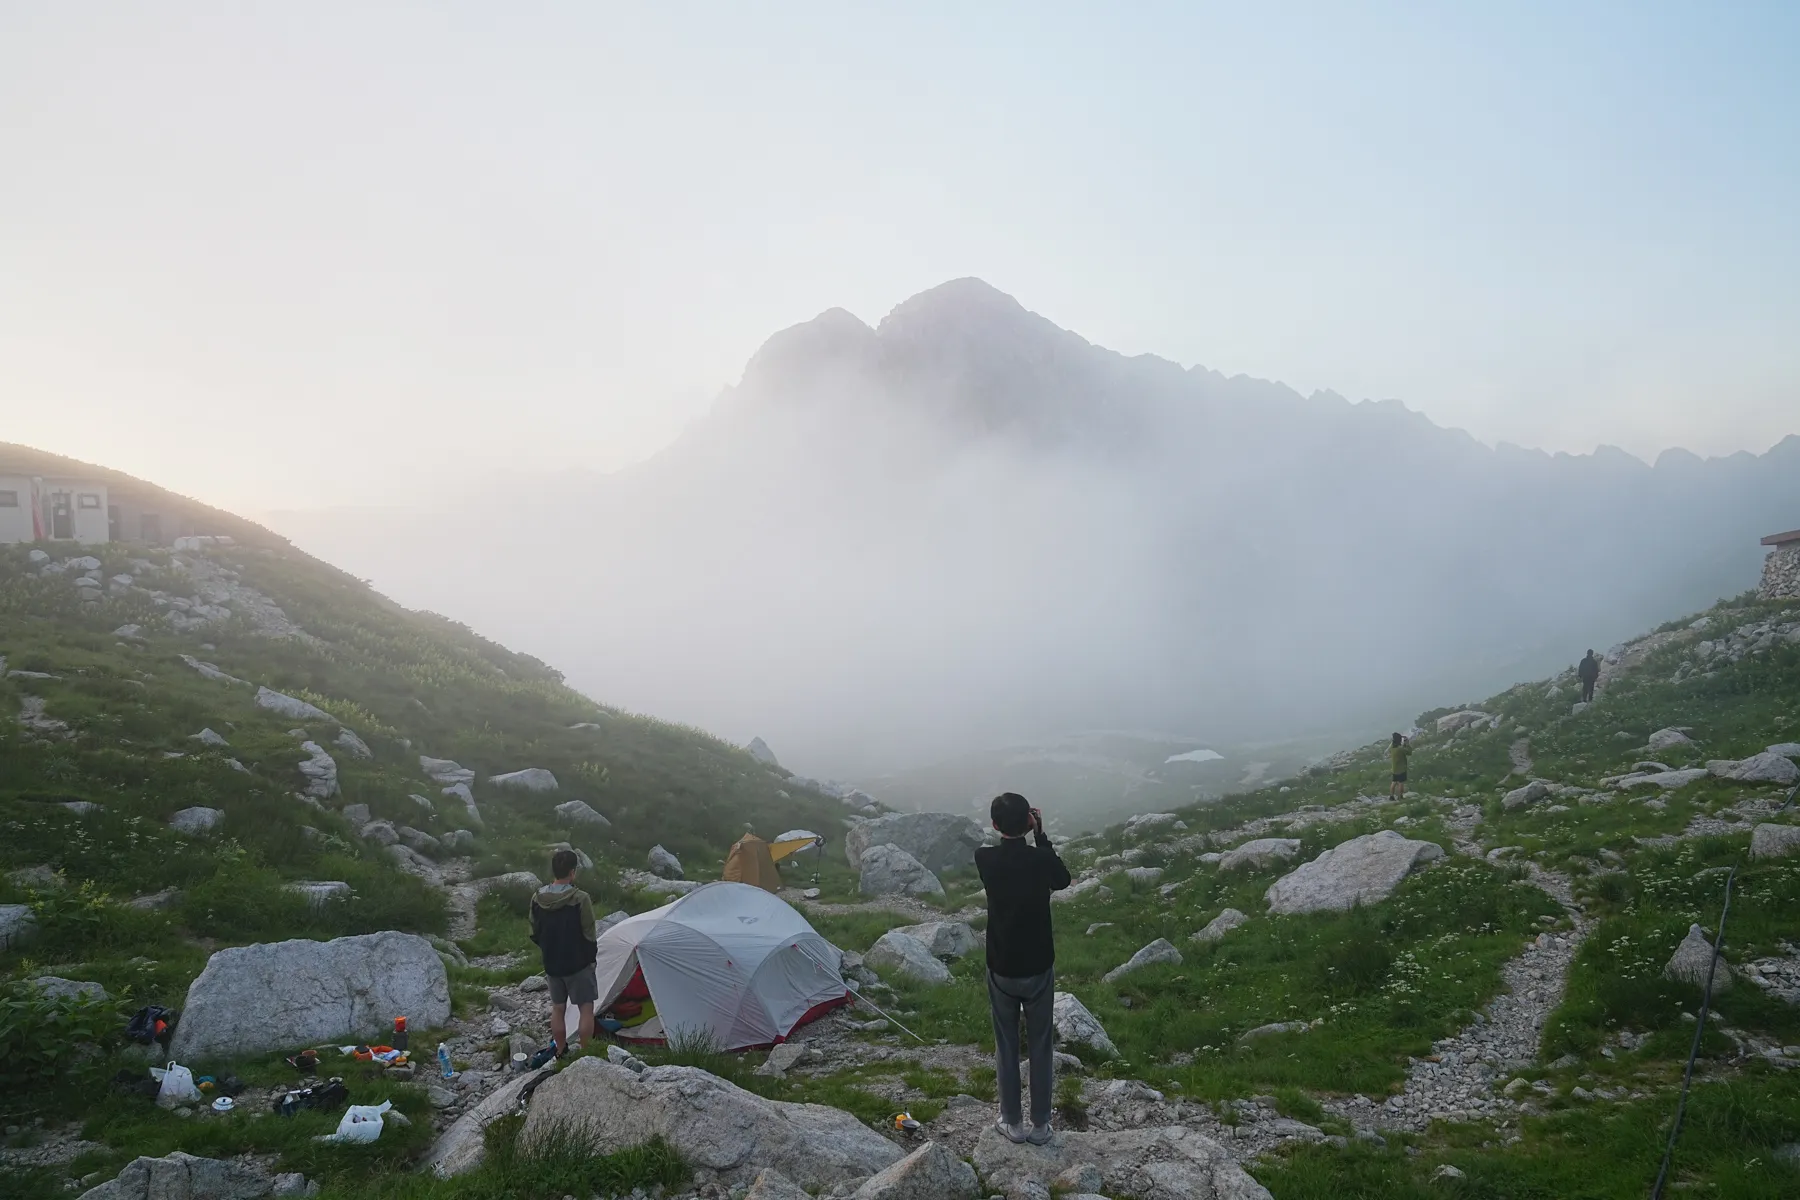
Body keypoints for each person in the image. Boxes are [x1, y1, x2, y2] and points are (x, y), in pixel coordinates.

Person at [974, 792, 1072, 1146]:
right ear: (1028, 821)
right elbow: (1062, 880)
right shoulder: (1041, 860)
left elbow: (1003, 853)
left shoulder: (984, 858)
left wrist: (1025, 833)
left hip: (1001, 966)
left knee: (1007, 1045)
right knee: (1041, 1044)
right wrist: (1040, 835)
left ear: (995, 825)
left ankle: (1012, 1123)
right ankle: (1041, 1124)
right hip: (1038, 965)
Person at [529, 849, 597, 1059]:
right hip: (578, 963)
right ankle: (586, 1054)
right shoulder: (580, 898)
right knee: (586, 1008)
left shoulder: (537, 898)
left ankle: (560, 1050)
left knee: (558, 1008)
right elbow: (589, 932)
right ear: (572, 872)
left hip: (552, 964)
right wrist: (590, 957)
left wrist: (549, 949)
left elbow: (533, 931)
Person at [1390, 732, 1412, 799]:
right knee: (1401, 783)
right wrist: (1407, 743)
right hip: (1401, 769)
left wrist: (1403, 744)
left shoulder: (1392, 747)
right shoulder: (1400, 749)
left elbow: (1401, 749)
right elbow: (1409, 752)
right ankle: (1400, 796)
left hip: (1394, 769)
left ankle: (1391, 796)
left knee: (1394, 782)